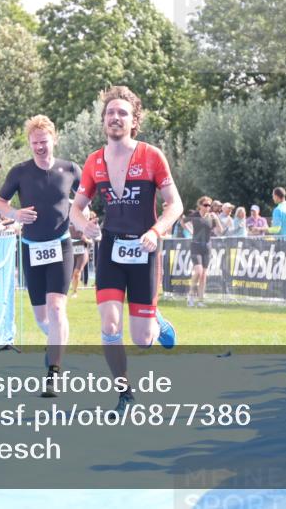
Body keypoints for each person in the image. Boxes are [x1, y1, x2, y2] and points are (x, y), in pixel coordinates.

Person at [70, 86, 183, 415]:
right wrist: (84, 225)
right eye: (110, 113)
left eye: (122, 113)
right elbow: (76, 209)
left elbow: (174, 205)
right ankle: (124, 394)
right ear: (103, 121)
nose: (115, 118)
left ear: (135, 121)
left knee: (142, 339)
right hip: (110, 249)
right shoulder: (93, 161)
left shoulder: (151, 156)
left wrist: (156, 230)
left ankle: (155, 320)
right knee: (109, 323)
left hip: (144, 247)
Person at [0, 115, 81, 396]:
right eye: (34, 143)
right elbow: (0, 202)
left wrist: (84, 215)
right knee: (43, 318)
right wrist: (14, 214)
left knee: (57, 308)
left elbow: (85, 199)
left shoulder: (70, 169)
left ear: (53, 139)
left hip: (61, 245)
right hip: (31, 248)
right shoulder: (20, 172)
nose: (39, 148)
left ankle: (54, 372)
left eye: (43, 142)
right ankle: (57, 343)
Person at [185, 196, 223, 307]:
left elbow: (220, 231)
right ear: (200, 206)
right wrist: (190, 230)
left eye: (209, 205)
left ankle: (201, 301)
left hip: (207, 247)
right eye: (205, 205)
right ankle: (191, 295)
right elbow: (183, 221)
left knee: (204, 275)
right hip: (195, 246)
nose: (208, 207)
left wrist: (216, 218)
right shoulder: (195, 215)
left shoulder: (212, 217)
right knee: (198, 272)